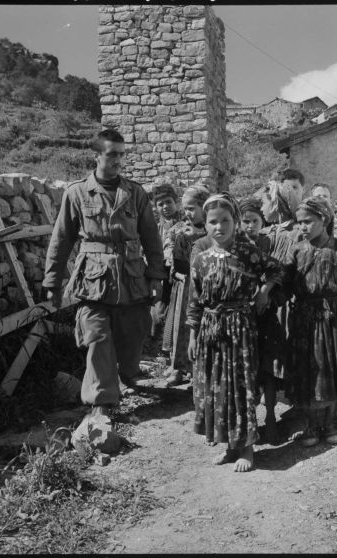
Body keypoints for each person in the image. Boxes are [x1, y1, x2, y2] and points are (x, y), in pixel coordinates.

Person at [43, 129, 165, 435]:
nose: (118, 160)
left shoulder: (135, 192)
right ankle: (101, 401)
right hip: (94, 278)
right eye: (112, 154)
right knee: (96, 337)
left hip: (132, 277)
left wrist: (156, 277)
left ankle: (128, 374)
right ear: (96, 155)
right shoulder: (77, 193)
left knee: (133, 333)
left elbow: (151, 237)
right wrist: (53, 283)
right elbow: (61, 240)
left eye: (122, 154)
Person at [187, 193, 282, 472]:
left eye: (225, 220)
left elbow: (275, 269)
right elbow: (195, 302)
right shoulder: (201, 259)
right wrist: (193, 335)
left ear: (235, 222)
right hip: (210, 330)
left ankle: (248, 449)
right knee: (217, 386)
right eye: (213, 222)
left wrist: (264, 291)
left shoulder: (248, 252)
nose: (219, 227)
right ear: (205, 225)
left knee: (240, 385)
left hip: (240, 328)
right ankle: (230, 446)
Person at [284, 197, 337, 447]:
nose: (303, 227)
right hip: (303, 321)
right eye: (299, 222)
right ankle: (309, 426)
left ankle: (328, 424)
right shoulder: (296, 251)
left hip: (331, 320)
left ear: (324, 219)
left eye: (308, 221)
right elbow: (284, 283)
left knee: (329, 370)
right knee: (308, 371)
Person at [239, 197, 286, 443]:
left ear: (262, 221)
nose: (250, 226)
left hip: (265, 313)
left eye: (254, 221)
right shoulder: (234, 245)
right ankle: (248, 424)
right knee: (245, 371)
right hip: (240, 314)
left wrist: (265, 292)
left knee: (267, 368)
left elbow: (276, 270)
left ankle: (270, 418)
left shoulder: (269, 242)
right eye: (245, 221)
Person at [161, 185, 211, 386]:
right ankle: (179, 367)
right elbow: (174, 260)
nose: (187, 213)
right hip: (186, 285)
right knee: (182, 327)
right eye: (185, 209)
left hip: (209, 286)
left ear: (204, 207)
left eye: (192, 208)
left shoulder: (215, 229)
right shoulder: (179, 231)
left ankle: (201, 369)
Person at [150, 183, 181, 339]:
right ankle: (157, 346)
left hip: (181, 275)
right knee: (159, 309)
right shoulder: (155, 229)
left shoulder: (185, 225)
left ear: (176, 202)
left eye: (168, 202)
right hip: (162, 275)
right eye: (160, 204)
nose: (165, 207)